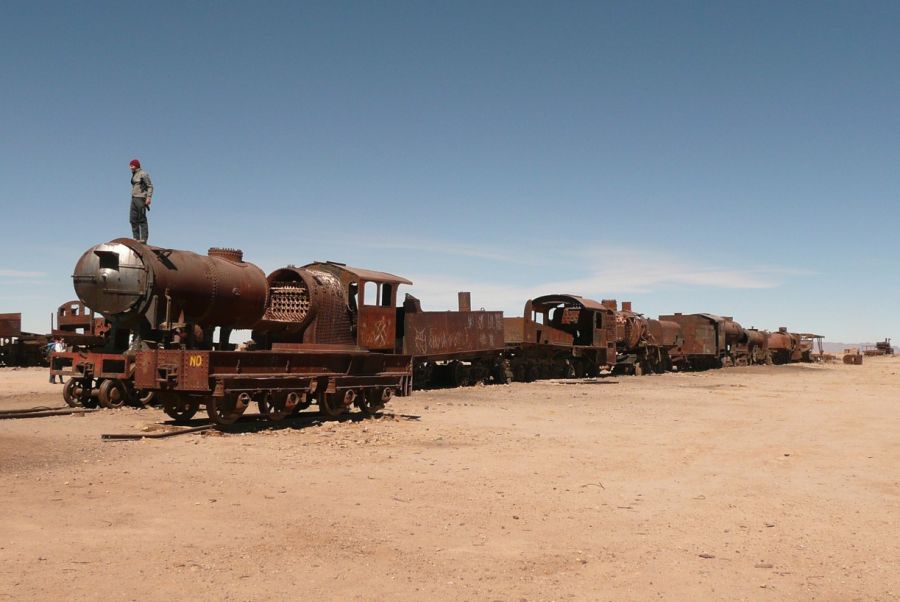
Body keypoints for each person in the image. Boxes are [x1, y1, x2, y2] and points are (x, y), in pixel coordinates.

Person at [129, 158, 153, 243]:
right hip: (134, 198)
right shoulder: (134, 174)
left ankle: (143, 239)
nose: (130, 167)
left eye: (132, 165)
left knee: (141, 218)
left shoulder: (143, 174)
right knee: (132, 219)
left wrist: (148, 197)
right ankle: (136, 238)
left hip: (141, 198)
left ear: (136, 165)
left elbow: (150, 186)